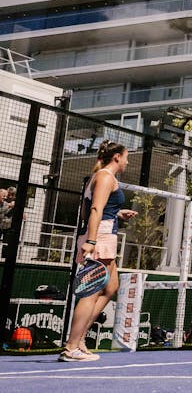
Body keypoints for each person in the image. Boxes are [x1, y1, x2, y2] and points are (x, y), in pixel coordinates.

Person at [59, 141, 138, 362]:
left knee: (111, 287)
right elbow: (93, 210)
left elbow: (94, 209)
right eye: (126, 157)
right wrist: (92, 241)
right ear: (116, 158)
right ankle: (71, 347)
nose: (127, 161)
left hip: (103, 234)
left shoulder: (100, 177)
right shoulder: (105, 177)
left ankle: (80, 340)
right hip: (100, 237)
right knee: (91, 291)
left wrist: (117, 214)